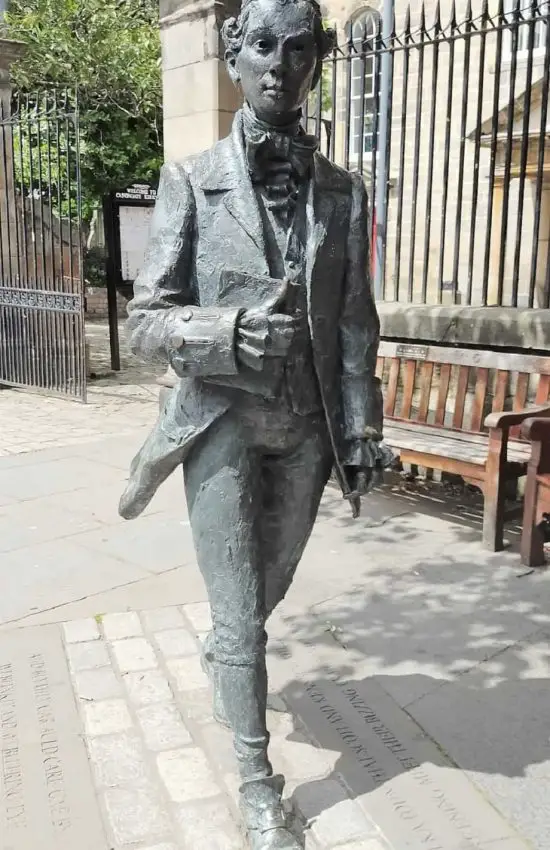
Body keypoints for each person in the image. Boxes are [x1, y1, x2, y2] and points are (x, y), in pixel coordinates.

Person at [119, 0, 392, 846]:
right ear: (235, 56)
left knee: (263, 599)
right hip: (223, 429)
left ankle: (227, 662)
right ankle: (256, 782)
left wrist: (360, 425)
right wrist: (225, 332)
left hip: (306, 435)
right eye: (263, 45)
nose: (280, 64)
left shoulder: (343, 193)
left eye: (299, 48)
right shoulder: (190, 180)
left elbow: (355, 323)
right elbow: (144, 324)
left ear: (318, 61)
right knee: (239, 615)